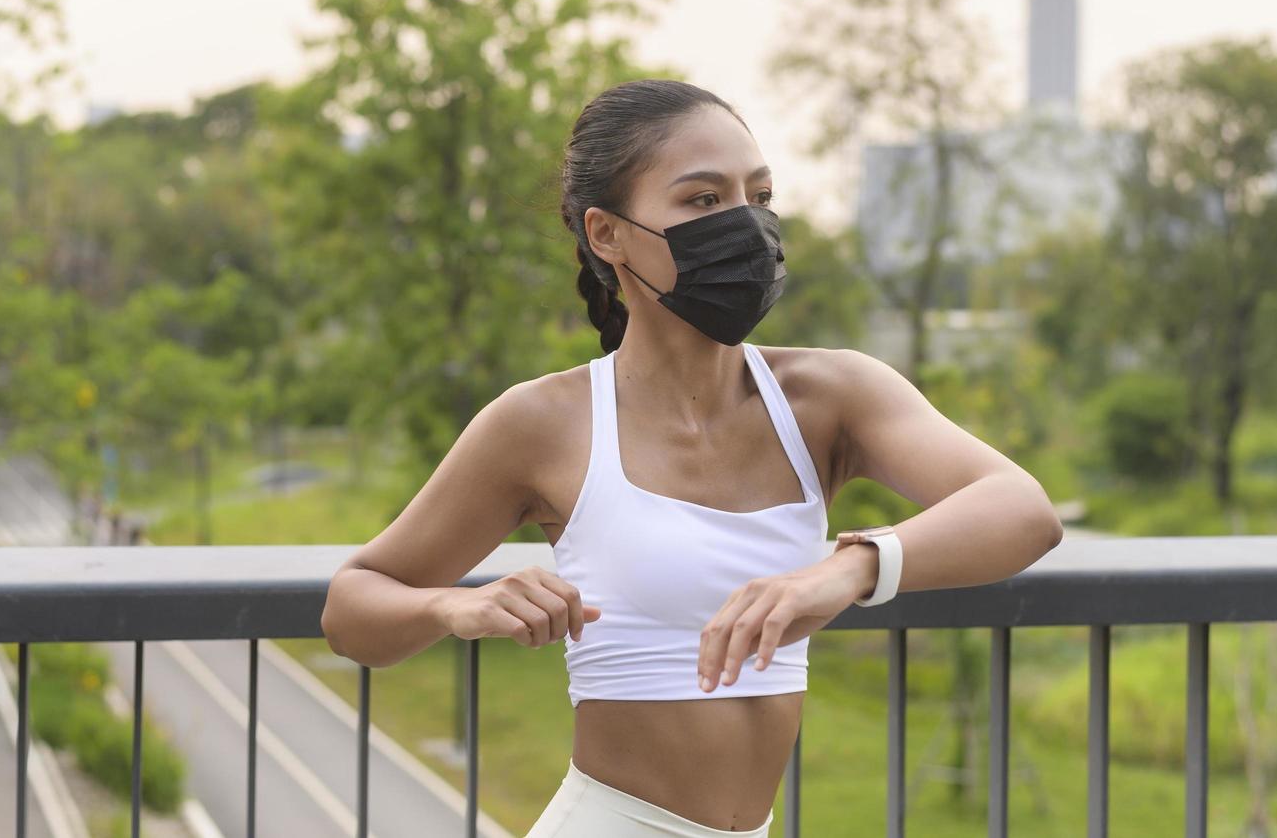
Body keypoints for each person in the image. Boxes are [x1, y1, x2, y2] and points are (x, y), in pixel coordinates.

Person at [320, 79, 1064, 836]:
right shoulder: (542, 423)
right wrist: (455, 606)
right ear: (606, 234)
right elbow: (352, 611)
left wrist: (845, 572)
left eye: (759, 195)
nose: (744, 223)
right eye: (703, 201)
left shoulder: (829, 395)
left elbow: (1022, 511)